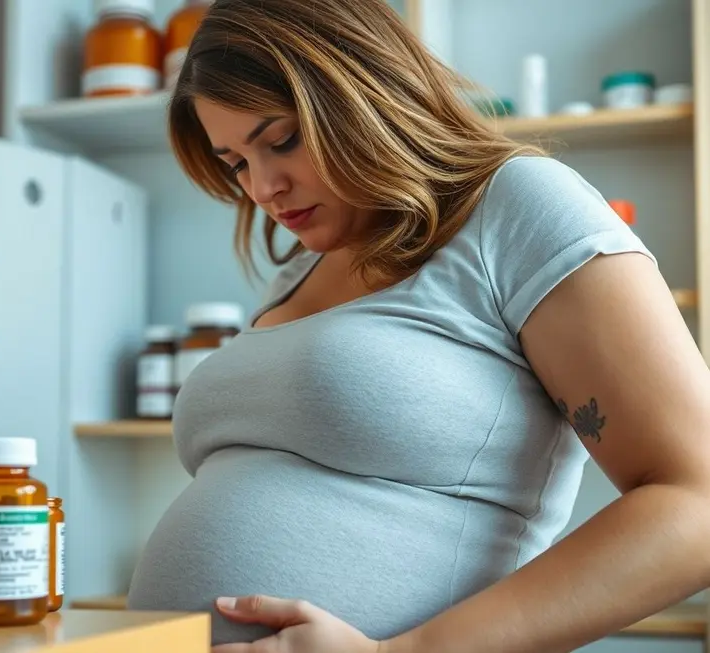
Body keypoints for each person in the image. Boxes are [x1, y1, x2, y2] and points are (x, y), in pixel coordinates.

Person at [125, 0, 710, 651]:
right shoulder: (295, 272)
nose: (262, 187)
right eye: (235, 162)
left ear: (364, 89)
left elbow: (699, 500)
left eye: (282, 139)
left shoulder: (518, 205)